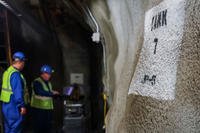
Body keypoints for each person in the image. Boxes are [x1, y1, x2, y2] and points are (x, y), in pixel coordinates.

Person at [0, 51, 27, 133]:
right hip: (14, 106)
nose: (24, 64)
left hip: (6, 105)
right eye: (24, 62)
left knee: (8, 128)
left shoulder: (7, 72)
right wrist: (22, 106)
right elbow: (18, 92)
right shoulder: (15, 74)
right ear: (20, 62)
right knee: (16, 128)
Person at [30, 65, 59, 133]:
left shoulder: (48, 83)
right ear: (44, 73)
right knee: (39, 129)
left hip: (47, 109)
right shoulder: (37, 82)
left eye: (50, 74)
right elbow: (39, 92)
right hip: (39, 110)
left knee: (47, 128)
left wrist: (54, 93)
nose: (50, 75)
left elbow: (47, 92)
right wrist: (52, 94)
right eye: (49, 74)